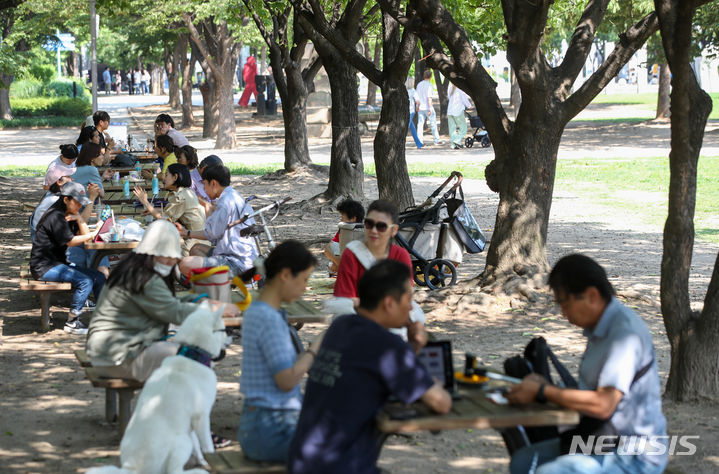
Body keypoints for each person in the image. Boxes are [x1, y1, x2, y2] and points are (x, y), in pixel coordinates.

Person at [507, 254, 668, 474]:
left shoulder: (624, 334)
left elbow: (603, 404)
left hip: (632, 454)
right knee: (523, 461)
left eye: (565, 304)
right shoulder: (601, 328)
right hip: (597, 440)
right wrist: (543, 386)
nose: (563, 313)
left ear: (592, 296)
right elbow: (590, 392)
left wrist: (544, 391)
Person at [287, 259, 452, 473]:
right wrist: (430, 379)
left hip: (302, 459)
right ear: (389, 303)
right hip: (339, 466)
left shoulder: (341, 326)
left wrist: (411, 350)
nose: (411, 307)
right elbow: (441, 403)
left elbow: (376, 372)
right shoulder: (387, 345)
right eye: (408, 298)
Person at [86, 219, 239, 381]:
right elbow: (174, 312)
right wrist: (214, 308)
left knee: (192, 354)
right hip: (118, 357)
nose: (170, 262)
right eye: (167, 258)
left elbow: (167, 303)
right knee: (197, 359)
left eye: (172, 259)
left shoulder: (132, 270)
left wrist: (198, 301)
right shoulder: (144, 278)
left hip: (108, 353)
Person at [238, 240, 325, 462]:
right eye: (304, 279)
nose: (305, 287)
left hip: (256, 426)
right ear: (285, 275)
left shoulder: (256, 310)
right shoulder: (270, 319)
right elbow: (286, 381)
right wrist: (314, 350)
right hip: (272, 431)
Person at [329, 199, 427, 351]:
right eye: (369, 224)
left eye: (381, 226)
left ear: (393, 230)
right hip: (358, 317)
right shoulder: (351, 254)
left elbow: (405, 296)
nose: (374, 230)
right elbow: (345, 300)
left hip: (392, 316)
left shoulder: (400, 255)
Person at [30, 182, 106, 335]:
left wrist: (78, 217)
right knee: (85, 281)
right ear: (66, 200)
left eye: (81, 203)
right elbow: (72, 241)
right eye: (76, 202)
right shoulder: (55, 216)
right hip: (44, 267)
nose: (79, 205)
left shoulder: (69, 213)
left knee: (99, 277)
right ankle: (72, 322)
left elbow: (84, 239)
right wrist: (93, 233)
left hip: (57, 264)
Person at [175, 164, 258, 278]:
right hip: (240, 256)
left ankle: (220, 285)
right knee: (196, 249)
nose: (204, 189)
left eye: (204, 184)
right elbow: (213, 229)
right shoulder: (234, 196)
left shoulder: (225, 203)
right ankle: (214, 283)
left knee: (185, 264)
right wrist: (207, 207)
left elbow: (211, 234)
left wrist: (186, 233)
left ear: (213, 183)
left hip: (237, 263)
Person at [134, 163, 207, 256]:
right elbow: (173, 211)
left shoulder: (181, 196)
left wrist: (145, 202)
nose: (163, 178)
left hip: (193, 245)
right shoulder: (187, 192)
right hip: (198, 239)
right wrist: (154, 210)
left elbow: (165, 221)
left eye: (167, 175)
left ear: (175, 177)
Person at [323, 199, 364, 276]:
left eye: (342, 216)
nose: (341, 219)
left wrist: (337, 264)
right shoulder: (345, 230)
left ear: (353, 218)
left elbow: (329, 248)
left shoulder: (347, 230)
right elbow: (330, 247)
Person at [414, 69, 444, 146]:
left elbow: (417, 96)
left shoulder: (419, 84)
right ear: (430, 76)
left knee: (420, 124)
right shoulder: (429, 85)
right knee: (433, 123)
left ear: (424, 76)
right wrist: (430, 108)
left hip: (420, 107)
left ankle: (419, 141)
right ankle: (436, 140)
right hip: (427, 107)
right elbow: (429, 98)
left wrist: (417, 106)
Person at [447, 83, 473, 149]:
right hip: (458, 110)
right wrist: (469, 106)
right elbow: (464, 99)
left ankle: (453, 145)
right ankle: (457, 140)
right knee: (463, 128)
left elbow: (449, 97)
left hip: (450, 111)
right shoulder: (460, 89)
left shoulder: (450, 88)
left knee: (452, 129)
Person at [407, 80, 423, 149]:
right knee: (412, 128)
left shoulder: (403, 90)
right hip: (411, 111)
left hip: (408, 111)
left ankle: (398, 142)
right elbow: (418, 101)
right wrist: (417, 107)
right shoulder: (413, 90)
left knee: (406, 126)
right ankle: (419, 143)